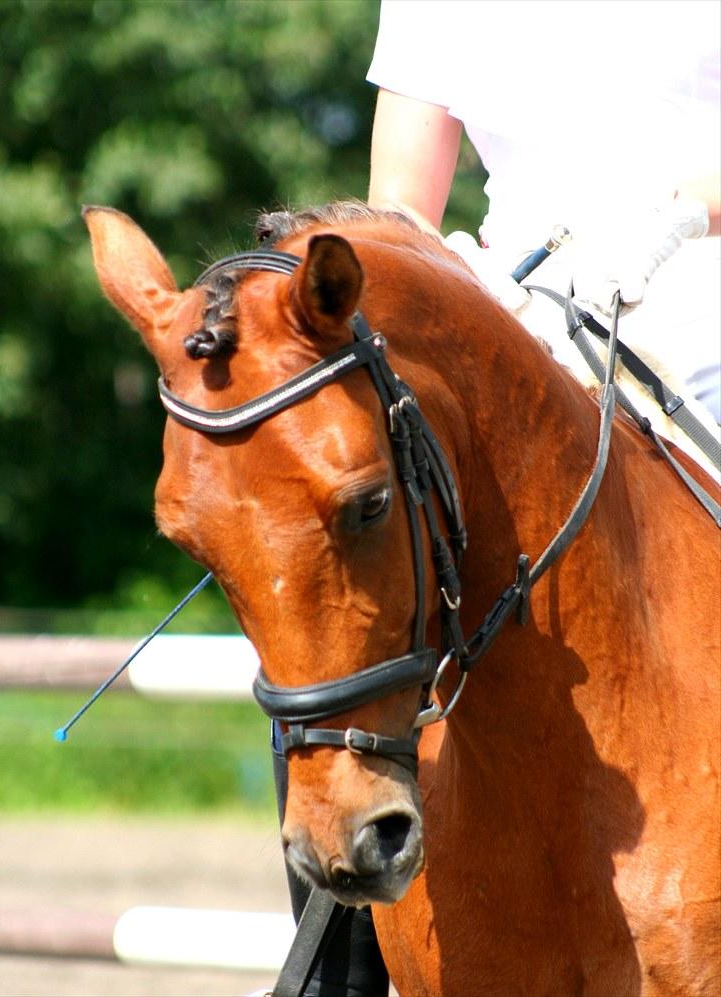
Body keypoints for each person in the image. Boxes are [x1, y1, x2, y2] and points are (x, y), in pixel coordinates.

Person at [265, 5, 720, 995]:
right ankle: (334, 966)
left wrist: (673, 222)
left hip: (695, 304)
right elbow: (395, 205)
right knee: (351, 580)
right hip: (519, 322)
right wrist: (445, 281)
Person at [367, 0, 721, 449]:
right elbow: (397, 209)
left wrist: (680, 216)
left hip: (705, 329)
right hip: (532, 338)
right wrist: (460, 273)